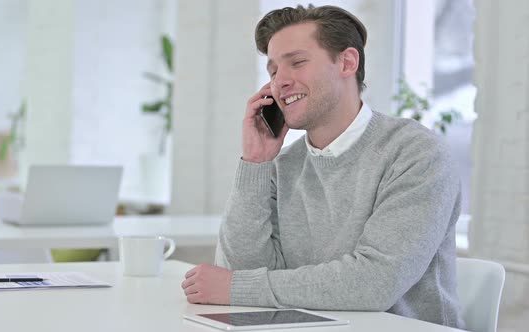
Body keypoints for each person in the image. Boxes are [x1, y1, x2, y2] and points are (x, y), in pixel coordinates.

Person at [180, 4, 465, 329]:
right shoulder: (281, 165)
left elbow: (374, 283)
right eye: (273, 71)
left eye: (297, 63)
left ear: (347, 62)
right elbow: (244, 270)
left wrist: (235, 287)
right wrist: (255, 162)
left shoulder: (415, 153)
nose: (280, 82)